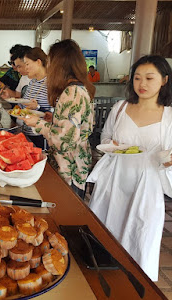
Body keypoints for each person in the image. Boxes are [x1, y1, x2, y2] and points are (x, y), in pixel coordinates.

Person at [87, 55, 172, 281]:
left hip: (147, 185)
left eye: (149, 78)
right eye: (137, 78)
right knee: (105, 231)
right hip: (114, 180)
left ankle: (134, 285)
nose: (142, 84)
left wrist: (169, 161)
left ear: (164, 80)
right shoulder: (120, 108)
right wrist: (112, 145)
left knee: (141, 234)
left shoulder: (169, 116)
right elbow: (105, 138)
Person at [21, 39, 95, 198]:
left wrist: (38, 123)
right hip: (74, 165)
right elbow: (72, 126)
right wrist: (53, 119)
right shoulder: (77, 88)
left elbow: (65, 140)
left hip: (69, 169)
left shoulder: (71, 93)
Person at [13, 47, 51, 149]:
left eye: (27, 64)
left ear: (38, 62)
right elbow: (23, 106)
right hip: (27, 132)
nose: (25, 68)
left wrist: (38, 107)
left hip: (41, 136)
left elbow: (56, 114)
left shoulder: (51, 84)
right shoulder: (32, 83)